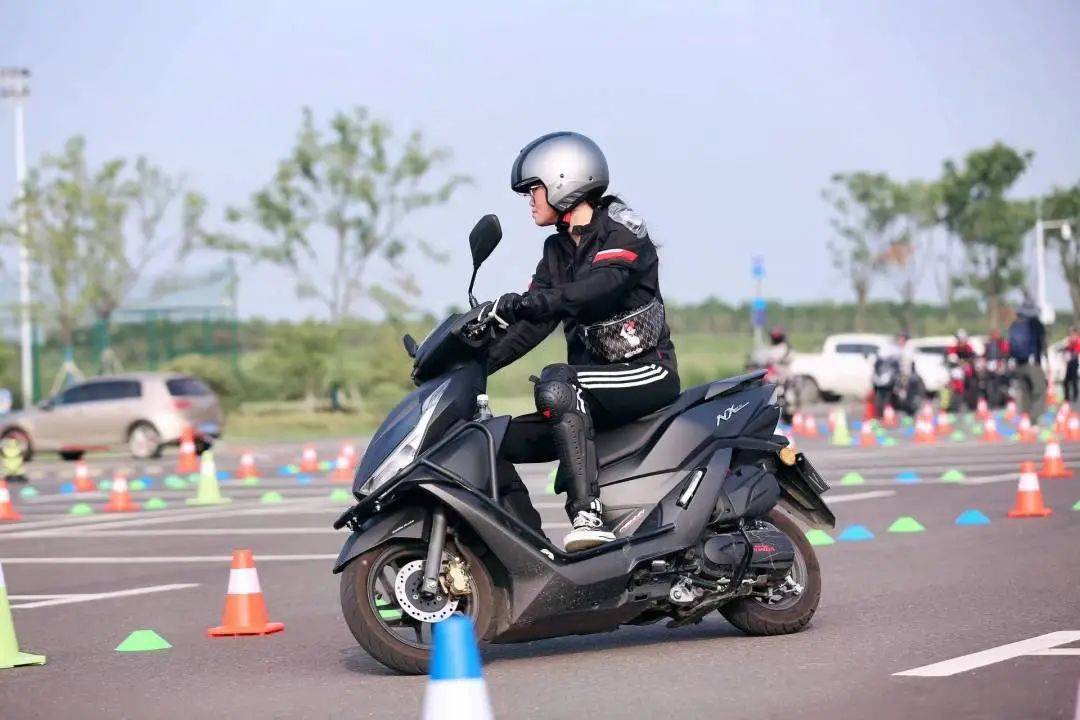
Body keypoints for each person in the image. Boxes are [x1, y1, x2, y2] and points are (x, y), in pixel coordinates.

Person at [489, 131, 680, 551]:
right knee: (487, 441)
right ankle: (525, 546)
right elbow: (532, 324)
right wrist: (471, 365)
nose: (530, 200)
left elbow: (597, 287)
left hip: (645, 372)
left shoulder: (622, 231)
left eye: (534, 189)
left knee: (557, 382)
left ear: (564, 181)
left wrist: (531, 302)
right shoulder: (557, 251)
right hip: (587, 391)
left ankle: (587, 515)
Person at [1008, 296, 1048, 417]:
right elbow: (1042, 344)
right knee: (1038, 390)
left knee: (1024, 390)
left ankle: (1023, 418)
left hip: (1018, 362)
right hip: (1033, 361)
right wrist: (1045, 361)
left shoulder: (1014, 325)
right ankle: (1035, 418)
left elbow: (1010, 345)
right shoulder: (1036, 324)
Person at [1062, 326, 1080, 402]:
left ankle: (1075, 396)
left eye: (1071, 333)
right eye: (1069, 333)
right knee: (1066, 381)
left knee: (1074, 380)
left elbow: (1076, 352)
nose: (1070, 335)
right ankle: (1067, 398)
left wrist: (1069, 356)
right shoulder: (1069, 341)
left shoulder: (1077, 341)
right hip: (1069, 363)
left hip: (1074, 363)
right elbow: (1065, 350)